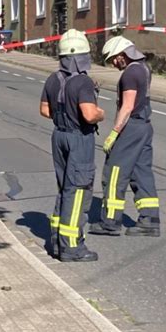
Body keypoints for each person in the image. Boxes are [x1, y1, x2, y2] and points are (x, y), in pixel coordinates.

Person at [40, 29, 105, 262]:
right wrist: (101, 114)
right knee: (78, 192)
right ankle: (72, 247)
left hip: (59, 136)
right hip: (79, 138)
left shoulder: (53, 79)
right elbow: (89, 114)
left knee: (64, 188)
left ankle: (57, 242)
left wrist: (63, 116)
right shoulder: (83, 82)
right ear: (81, 56)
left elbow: (45, 110)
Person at [89, 36, 160, 237]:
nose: (113, 63)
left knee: (114, 174)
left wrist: (114, 132)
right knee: (141, 173)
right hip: (144, 126)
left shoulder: (130, 73)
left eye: (113, 58)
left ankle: (110, 222)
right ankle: (149, 220)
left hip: (131, 128)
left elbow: (127, 106)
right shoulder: (144, 68)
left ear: (123, 55)